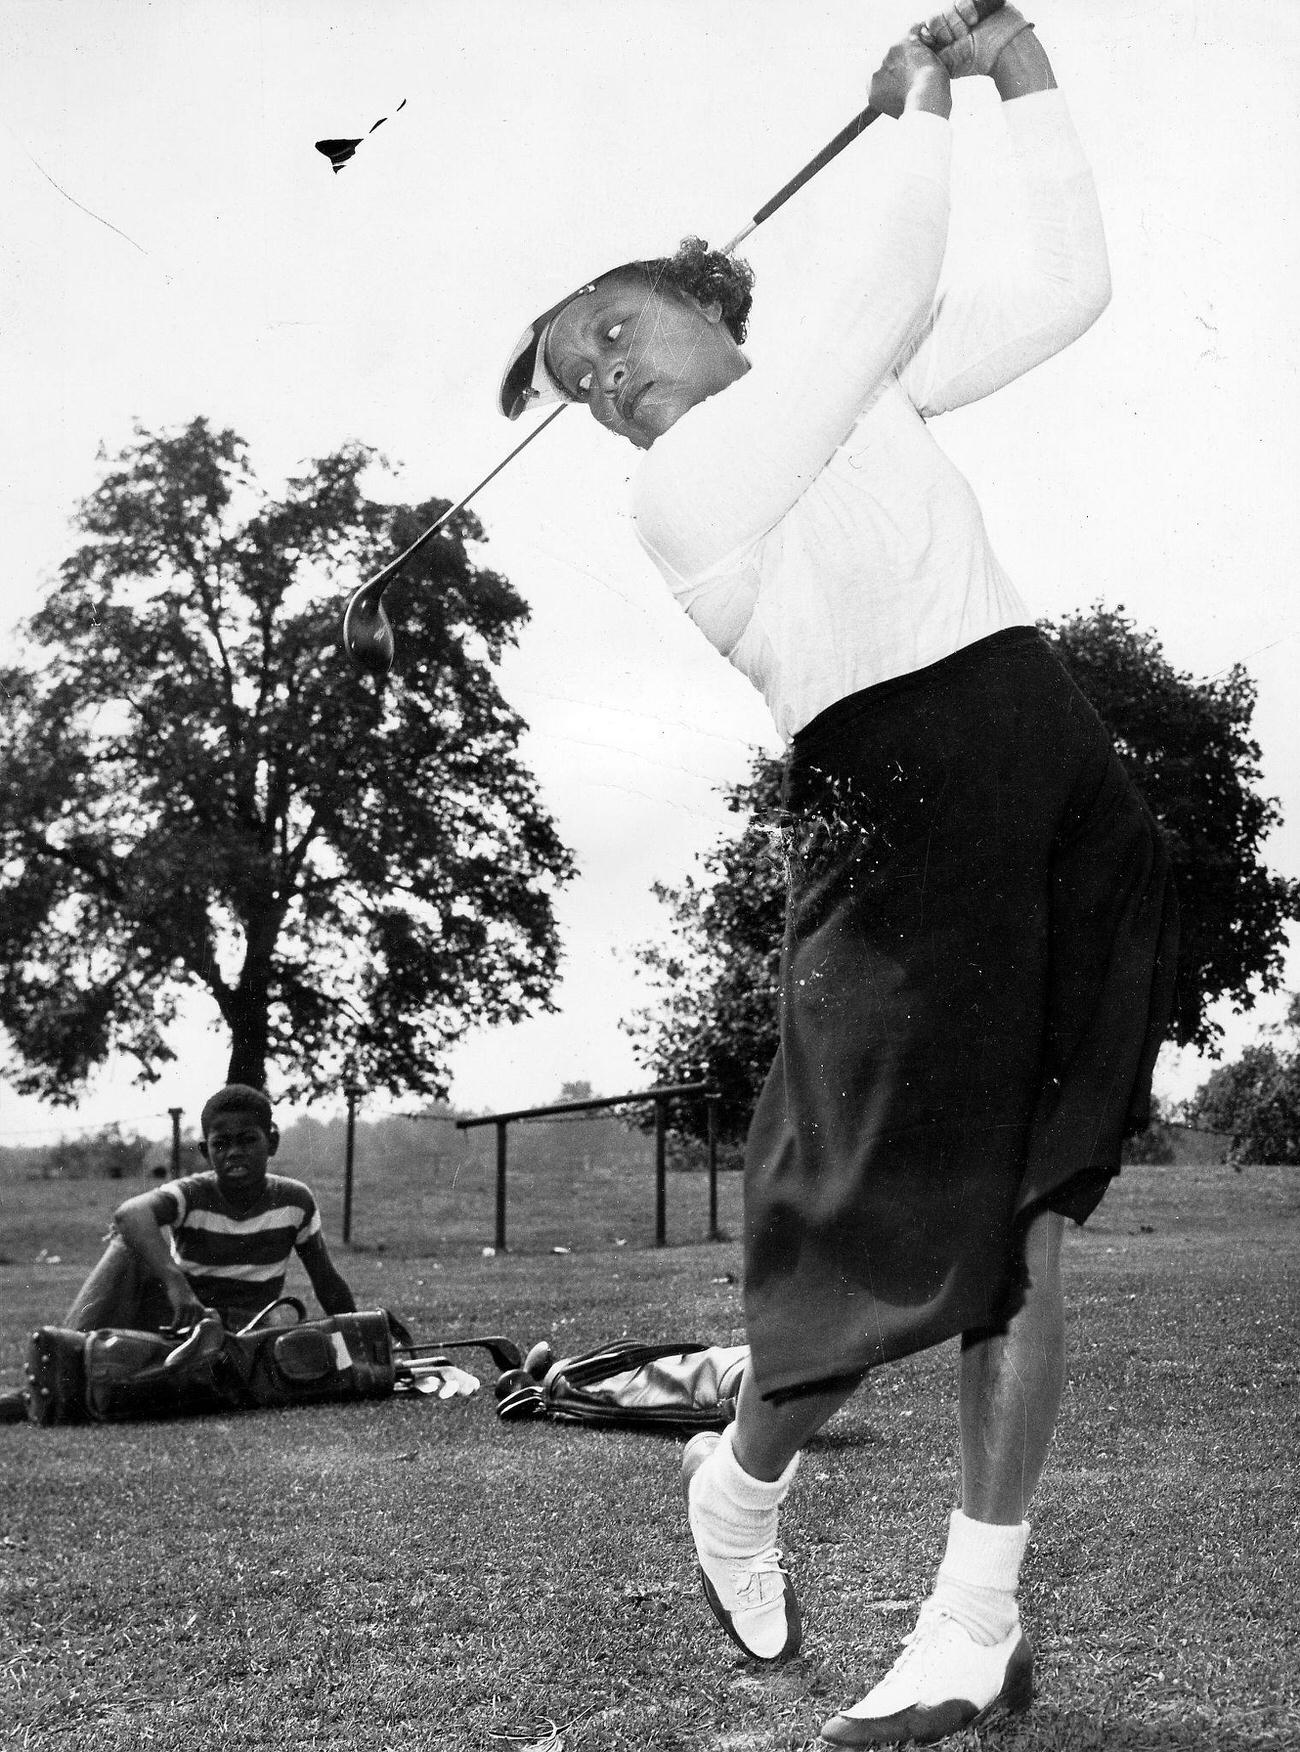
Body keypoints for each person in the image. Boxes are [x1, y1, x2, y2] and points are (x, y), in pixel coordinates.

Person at [498, 4, 1177, 1745]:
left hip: (1047, 769)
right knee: (865, 1236)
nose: (600, 384)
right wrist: (916, 107)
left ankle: (973, 1620)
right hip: (896, 820)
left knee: (1026, 1229)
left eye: (608, 333)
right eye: (577, 386)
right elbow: (879, 285)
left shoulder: (843, 385)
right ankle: (740, 1480)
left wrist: (1017, 77)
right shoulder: (694, 484)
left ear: (708, 301)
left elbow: (1071, 288)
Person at [61, 1083, 357, 1335]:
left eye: (248, 1140)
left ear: (272, 1142)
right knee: (128, 1243)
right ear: (206, 1152)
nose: (234, 1152)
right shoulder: (192, 1193)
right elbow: (130, 1213)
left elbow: (326, 1280)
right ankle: (68, 1355)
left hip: (249, 1327)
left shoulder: (294, 1199)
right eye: (221, 1144)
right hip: (187, 1320)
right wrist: (177, 1283)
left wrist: (360, 1329)